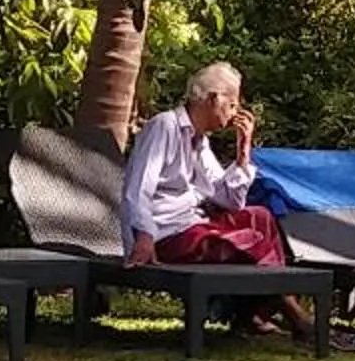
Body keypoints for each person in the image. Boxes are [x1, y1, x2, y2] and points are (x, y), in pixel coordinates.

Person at [118, 61, 313, 337]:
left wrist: (243, 153)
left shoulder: (201, 142)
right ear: (213, 99)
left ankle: (252, 314)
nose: (235, 112)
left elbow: (230, 201)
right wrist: (144, 236)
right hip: (166, 234)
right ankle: (293, 315)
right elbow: (138, 188)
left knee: (259, 218)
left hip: (193, 226)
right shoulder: (164, 127)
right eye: (232, 105)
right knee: (250, 242)